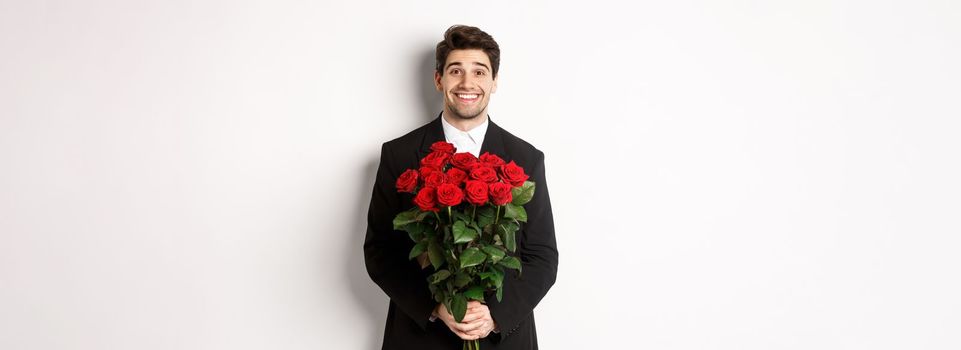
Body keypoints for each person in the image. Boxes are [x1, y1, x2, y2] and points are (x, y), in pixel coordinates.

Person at [364, 25, 558, 350]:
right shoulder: (398, 155)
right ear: (439, 79)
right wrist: (436, 308)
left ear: (494, 82)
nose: (467, 83)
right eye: (456, 71)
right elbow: (380, 251)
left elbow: (542, 256)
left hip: (502, 338)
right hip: (421, 338)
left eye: (479, 72)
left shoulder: (526, 159)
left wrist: (494, 315)